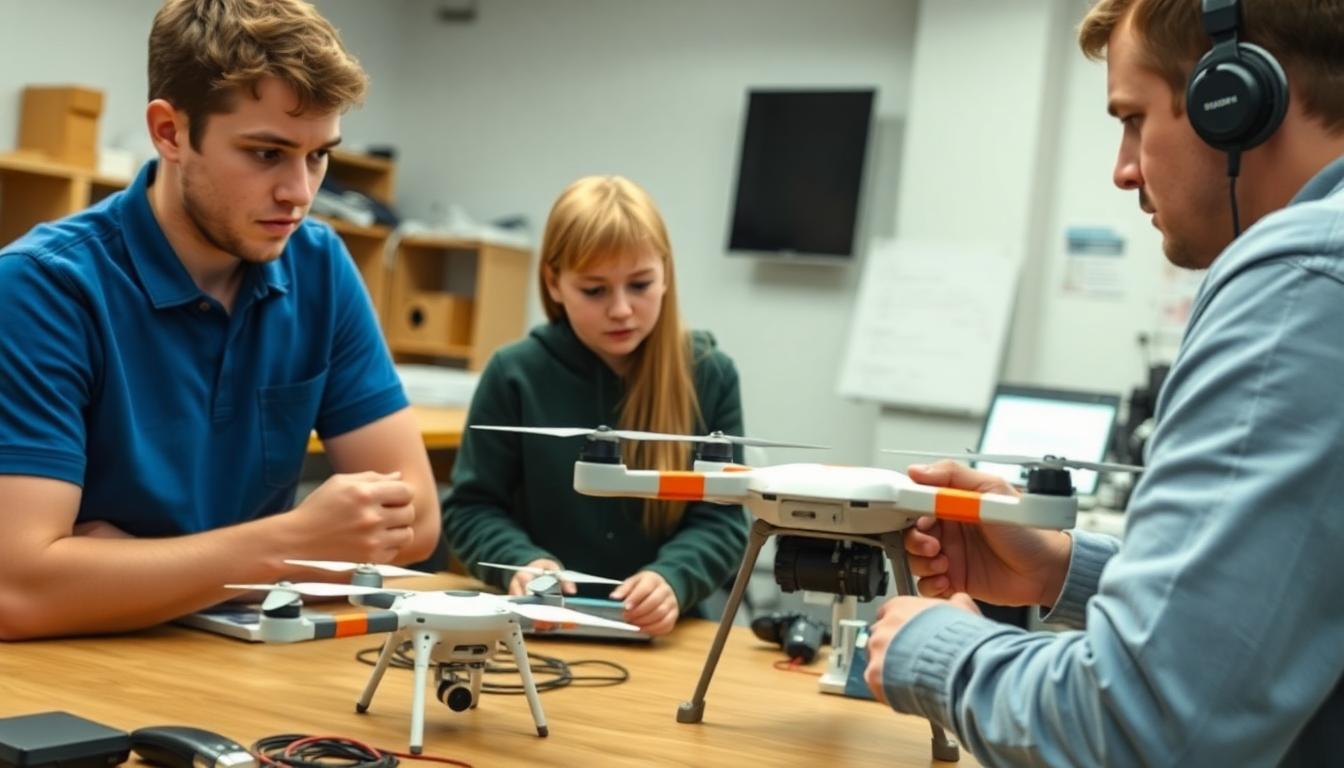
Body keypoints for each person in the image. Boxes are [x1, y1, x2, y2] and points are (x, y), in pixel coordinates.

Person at [863, 0, 1344, 764]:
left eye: (1133, 118)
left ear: (1235, 98)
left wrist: (935, 648)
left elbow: (1145, 729)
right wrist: (1066, 568)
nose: (1123, 170)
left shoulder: (1300, 275)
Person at [0, 0, 440, 640]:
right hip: (79, 674)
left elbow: (418, 522)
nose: (300, 192)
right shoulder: (40, 287)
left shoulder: (320, 267)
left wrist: (133, 571)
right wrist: (294, 544)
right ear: (170, 132)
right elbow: (18, 590)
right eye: (267, 154)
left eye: (319, 156)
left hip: (242, 657)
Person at [444, 176, 747, 636]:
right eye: (595, 290)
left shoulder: (710, 374)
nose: (622, 309)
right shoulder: (513, 373)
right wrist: (520, 564)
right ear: (554, 282)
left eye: (640, 284)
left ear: (666, 274)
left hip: (668, 637)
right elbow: (471, 508)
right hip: (537, 628)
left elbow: (723, 520)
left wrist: (673, 579)